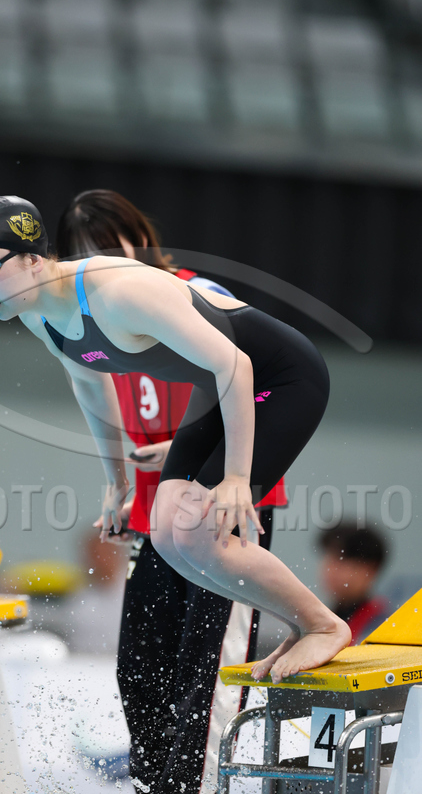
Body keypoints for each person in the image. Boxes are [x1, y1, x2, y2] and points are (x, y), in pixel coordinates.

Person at [0, 196, 350, 707]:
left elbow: (236, 364)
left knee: (198, 528)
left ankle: (323, 624)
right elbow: (91, 385)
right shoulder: (39, 315)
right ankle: (302, 623)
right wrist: (117, 482)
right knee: (167, 533)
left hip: (279, 378)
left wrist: (236, 477)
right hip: (218, 393)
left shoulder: (119, 293)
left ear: (34, 258)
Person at [56, 189, 288, 793]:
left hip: (224, 504)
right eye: (86, 254)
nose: (101, 263)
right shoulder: (94, 322)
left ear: (140, 239)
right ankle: (151, 784)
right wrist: (118, 484)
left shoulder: (193, 293)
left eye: (111, 247)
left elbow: (266, 377)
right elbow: (99, 400)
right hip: (157, 515)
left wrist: (195, 449)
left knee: (206, 672)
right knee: (141, 668)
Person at [317, 523, 390, 645]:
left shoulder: (383, 625)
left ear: (370, 569)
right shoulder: (321, 618)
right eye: (329, 558)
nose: (331, 568)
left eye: (342, 560)